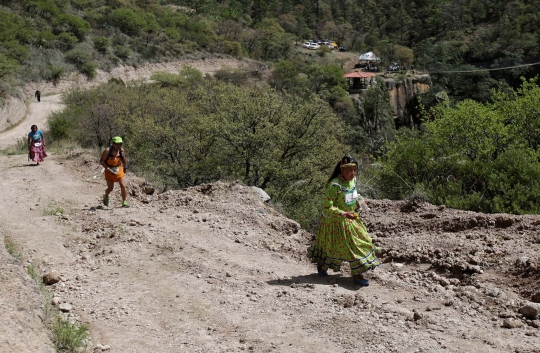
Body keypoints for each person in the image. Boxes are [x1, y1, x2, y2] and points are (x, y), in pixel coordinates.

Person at [307, 155, 380, 286]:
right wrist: (345, 213)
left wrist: (362, 204)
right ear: (341, 170)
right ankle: (356, 275)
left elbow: (355, 194)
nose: (352, 173)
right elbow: (327, 207)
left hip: (352, 219)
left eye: (354, 169)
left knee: (358, 243)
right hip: (335, 221)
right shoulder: (334, 185)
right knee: (337, 246)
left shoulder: (353, 180)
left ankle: (355, 273)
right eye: (348, 170)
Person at [100, 136, 129, 208]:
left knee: (123, 185)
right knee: (110, 188)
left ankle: (124, 201)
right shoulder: (107, 151)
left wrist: (125, 168)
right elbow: (102, 161)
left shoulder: (121, 151)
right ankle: (106, 195)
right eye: (116, 144)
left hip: (119, 168)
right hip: (109, 169)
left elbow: (124, 159)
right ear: (113, 144)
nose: (118, 145)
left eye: (120, 144)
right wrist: (108, 170)